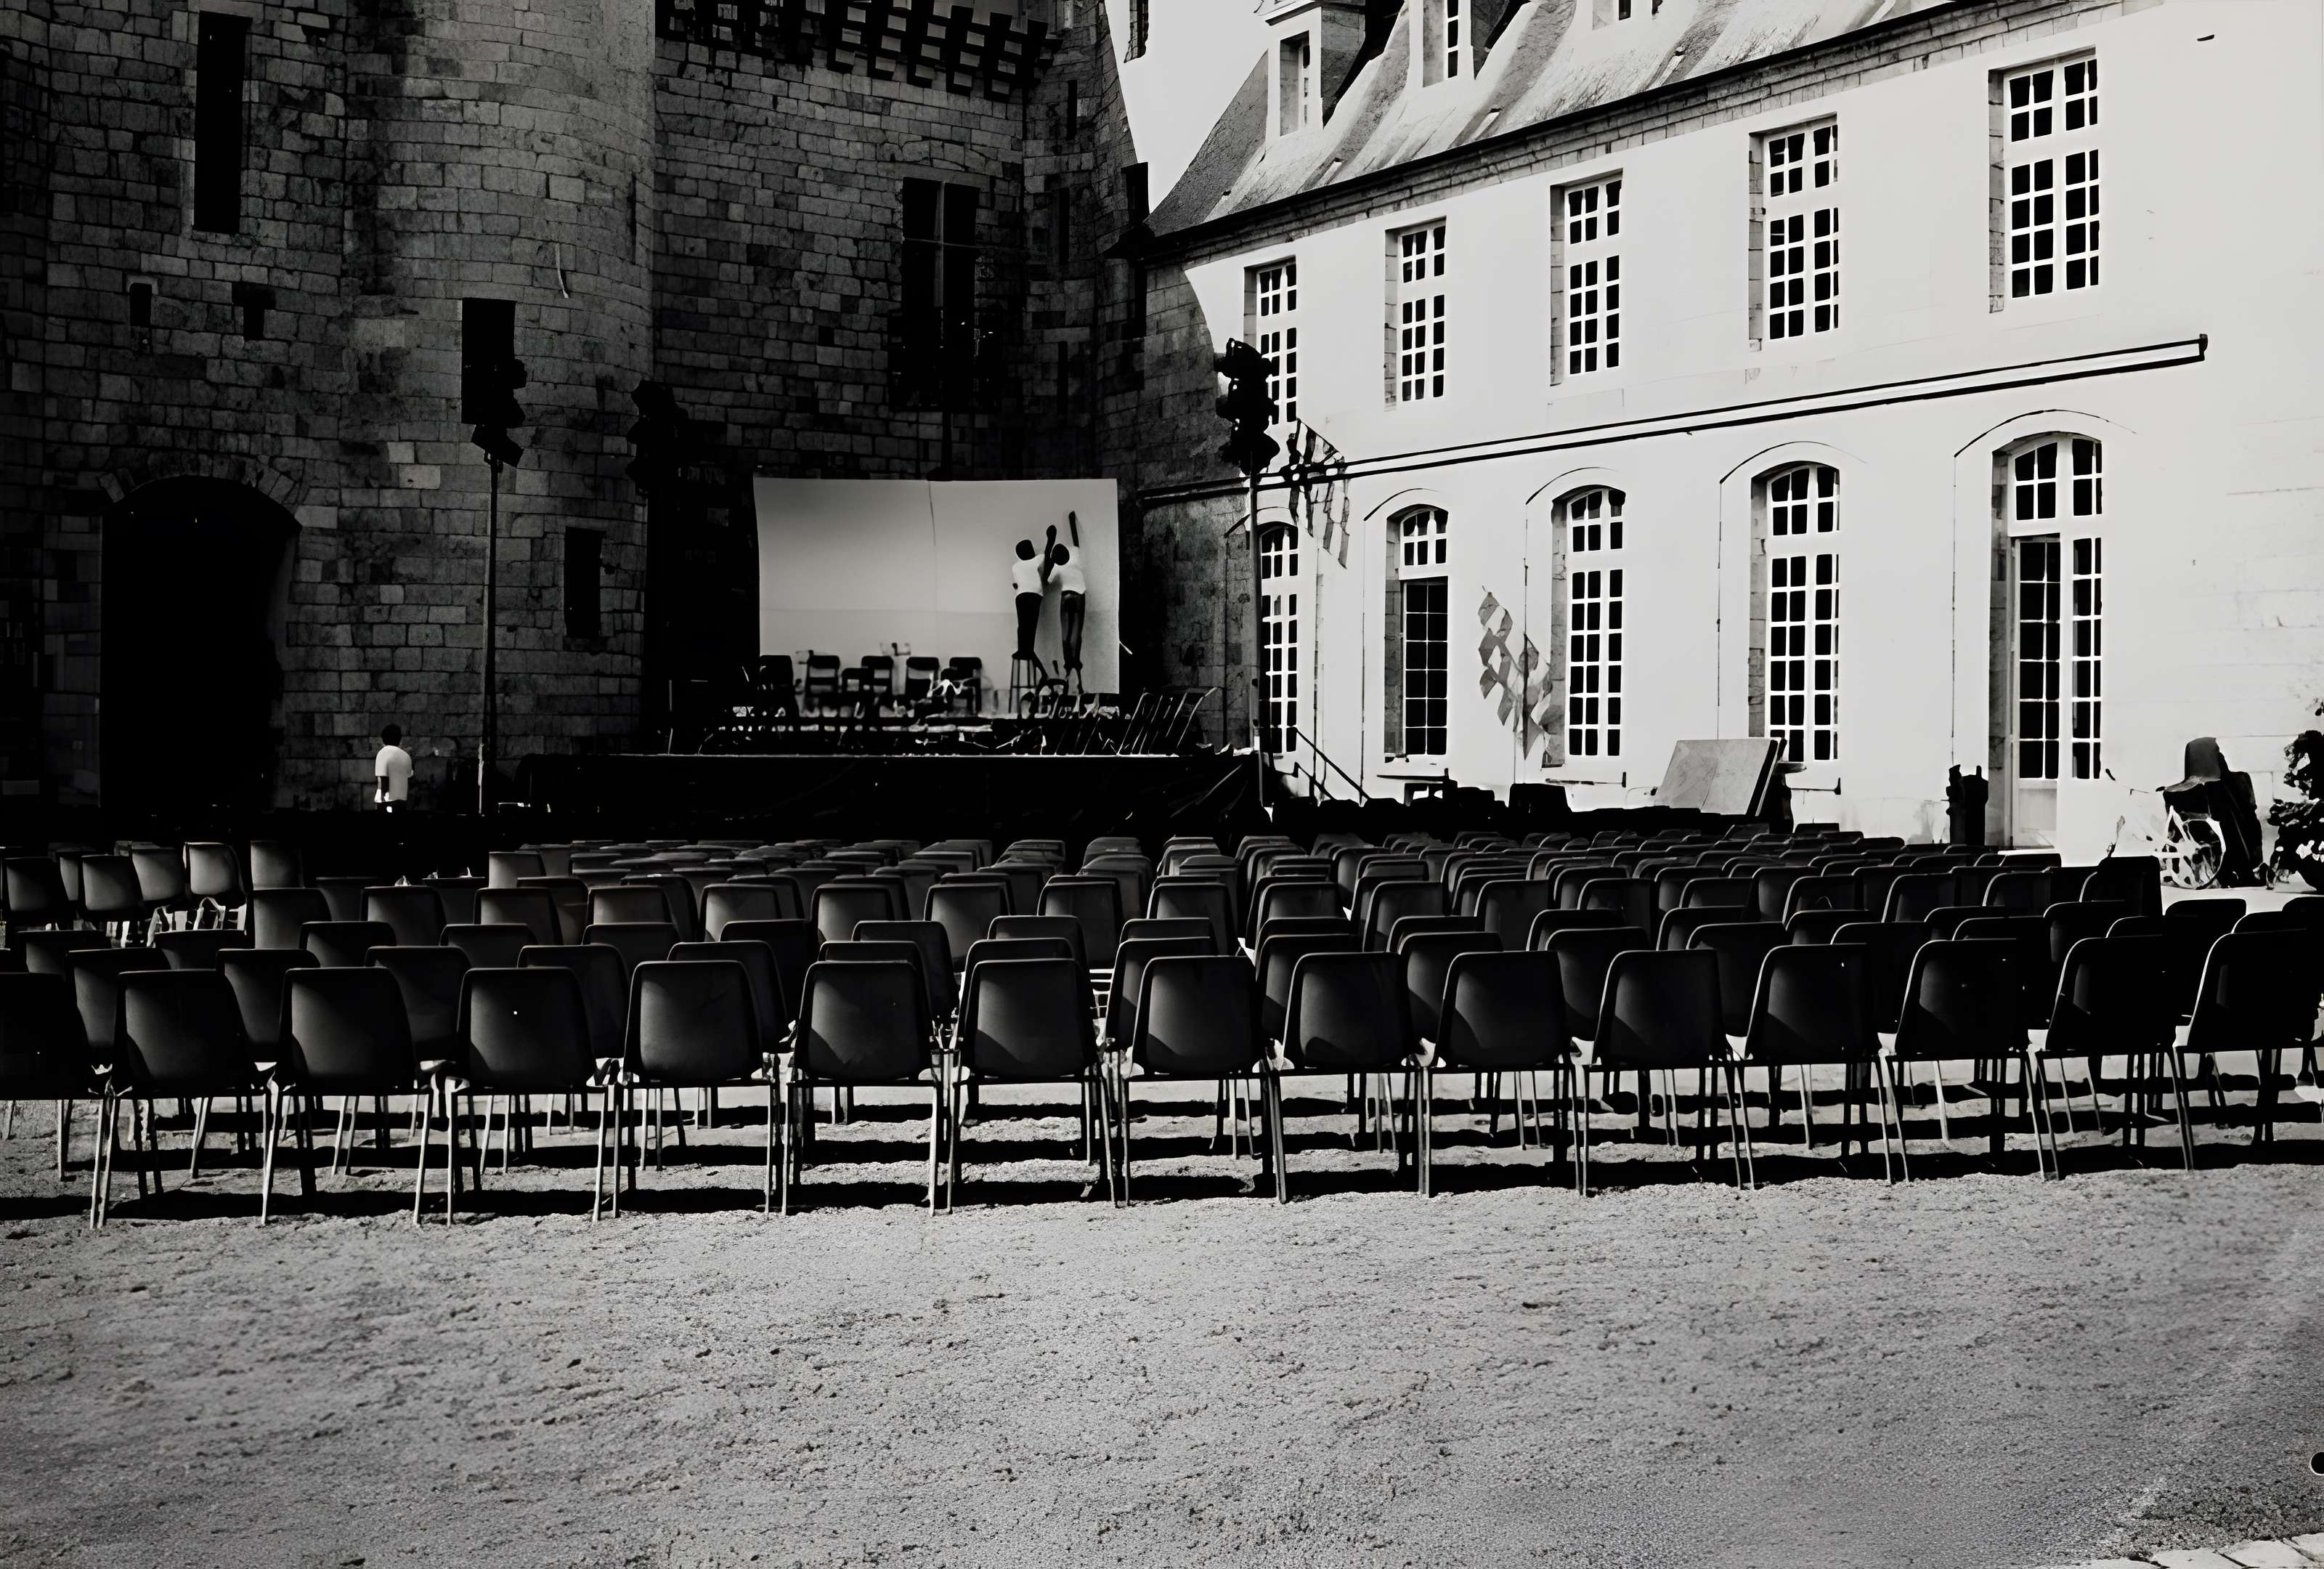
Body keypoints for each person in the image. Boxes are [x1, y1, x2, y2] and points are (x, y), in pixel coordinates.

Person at [1009, 532, 1056, 678]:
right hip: (1034, 596)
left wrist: (1016, 586)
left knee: (1022, 628)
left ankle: (1041, 672)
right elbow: (1048, 556)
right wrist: (1050, 539)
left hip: (1021, 597)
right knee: (1029, 632)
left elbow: (1017, 583)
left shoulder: (1015, 566)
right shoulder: (1038, 559)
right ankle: (1043, 673)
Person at [1052, 540, 1087, 679]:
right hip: (1079, 596)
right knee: (1076, 633)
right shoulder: (1075, 555)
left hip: (1066, 596)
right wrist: (1072, 521)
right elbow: (1076, 540)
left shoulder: (1057, 567)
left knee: (1066, 634)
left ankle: (1068, 664)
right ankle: (1075, 661)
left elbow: (1048, 580)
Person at [374, 723, 413, 811]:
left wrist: (384, 799)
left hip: (387, 801)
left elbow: (382, 779)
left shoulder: (382, 753)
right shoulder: (406, 756)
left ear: (384, 739)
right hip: (402, 800)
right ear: (399, 739)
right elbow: (409, 776)